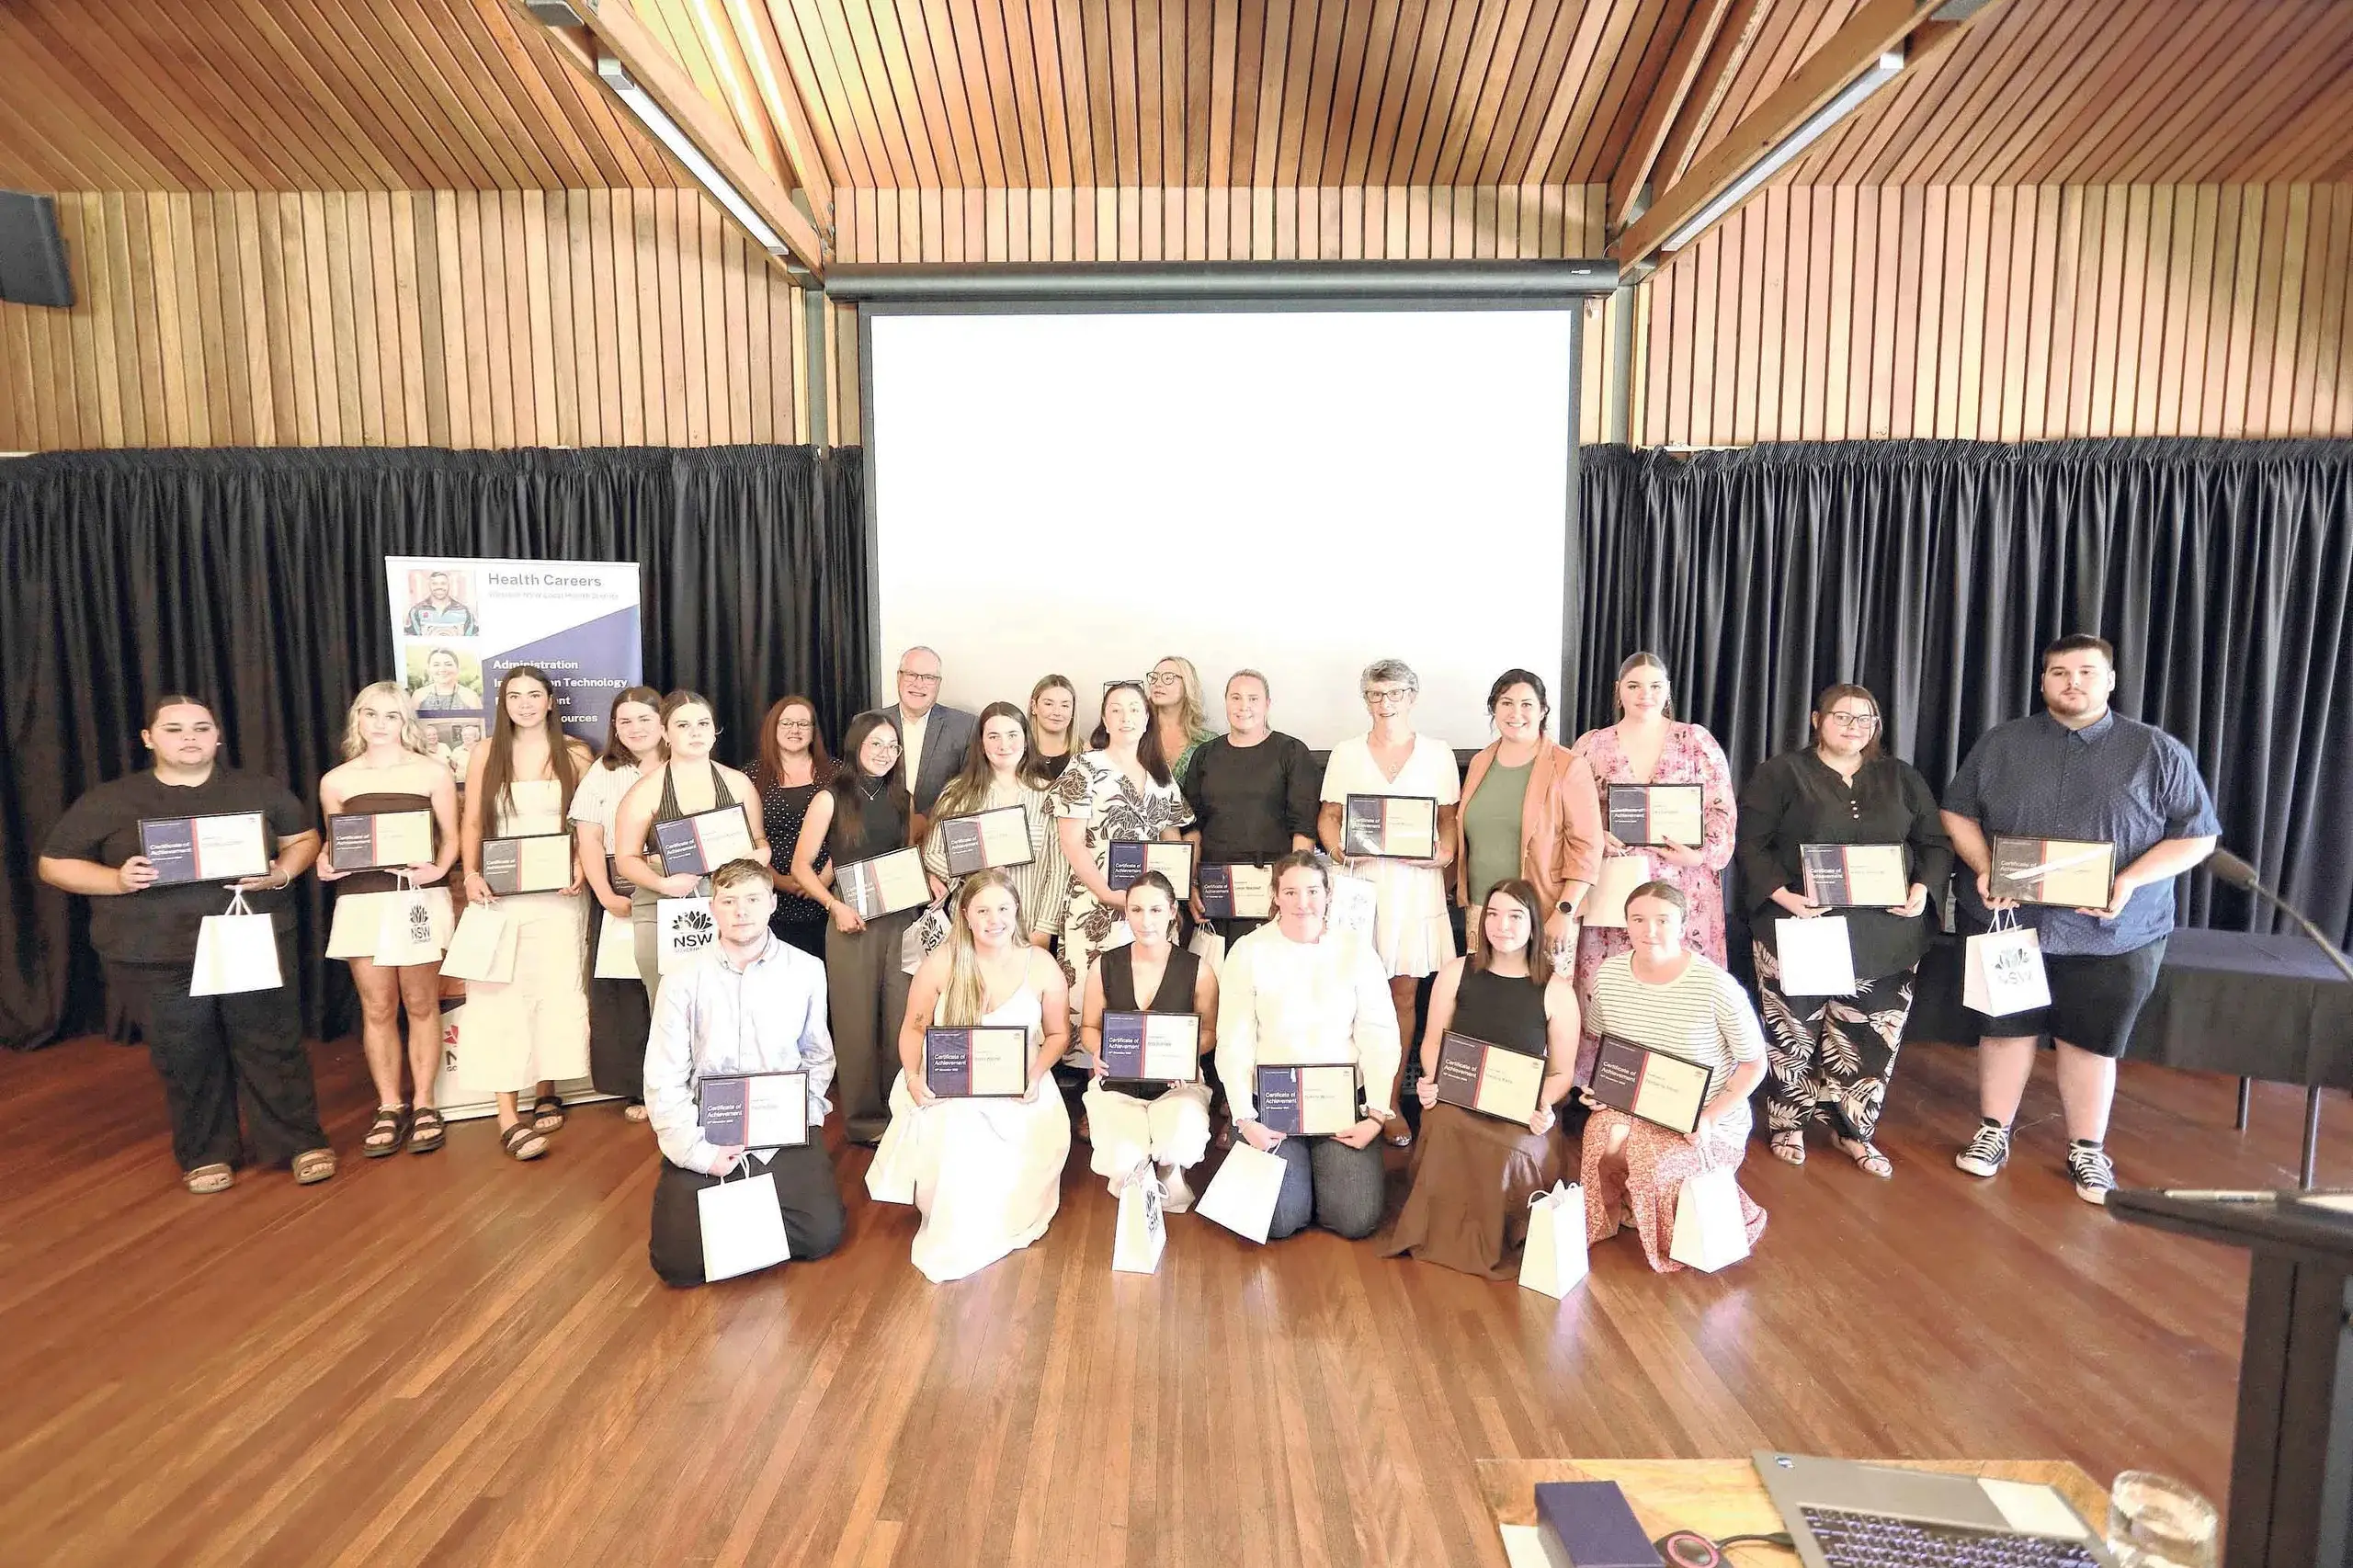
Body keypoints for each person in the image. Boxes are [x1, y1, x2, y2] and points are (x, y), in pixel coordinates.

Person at [1941, 633, 2220, 1203]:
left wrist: (2129, 881)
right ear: (2042, 681)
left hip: (2115, 930)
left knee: (2090, 1043)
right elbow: (1957, 811)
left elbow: (2198, 837)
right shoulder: (2001, 744)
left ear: (2110, 680)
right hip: (2008, 924)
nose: (2073, 683)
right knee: (2003, 1031)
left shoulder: (2157, 751)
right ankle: (1994, 1131)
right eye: (2059, 672)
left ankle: (2087, 1148)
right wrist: (1984, 866)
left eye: (2087, 672)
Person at [38, 695, 334, 1194]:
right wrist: (116, 879)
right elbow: (53, 864)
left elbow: (303, 838)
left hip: (246, 938)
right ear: (149, 739)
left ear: (218, 736)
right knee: (185, 1053)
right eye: (174, 729)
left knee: (271, 1044)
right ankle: (207, 1152)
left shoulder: (257, 788)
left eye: (201, 727)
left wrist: (280, 872)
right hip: (153, 952)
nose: (190, 737)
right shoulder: (111, 800)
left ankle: (298, 1142)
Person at [1736, 682, 1951, 1176]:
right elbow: (1750, 844)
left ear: (1876, 726)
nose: (1852, 727)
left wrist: (1922, 889)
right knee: (1794, 1030)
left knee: (1871, 1037)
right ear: (1817, 719)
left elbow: (1935, 844)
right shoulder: (1781, 773)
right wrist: (1784, 896)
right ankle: (1788, 1122)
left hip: (1885, 935)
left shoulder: (1900, 777)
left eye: (1864, 719)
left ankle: (1854, 1129)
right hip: (1802, 924)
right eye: (1841, 716)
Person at [643, 859, 846, 1288]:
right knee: (677, 1264)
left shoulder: (806, 969)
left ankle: (744, 1224)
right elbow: (663, 1077)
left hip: (780, 1125)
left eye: (753, 899)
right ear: (712, 908)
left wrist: (797, 1118)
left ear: (772, 904)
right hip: (709, 1128)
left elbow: (817, 1056)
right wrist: (699, 1153)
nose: (741, 910)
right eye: (729, 900)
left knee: (820, 1236)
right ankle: (742, 1214)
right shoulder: (681, 979)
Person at [870, 869, 1073, 1282]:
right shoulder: (942, 962)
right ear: (965, 914)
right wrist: (912, 1077)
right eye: (982, 910)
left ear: (1017, 910)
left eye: (1002, 908)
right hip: (953, 1080)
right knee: (958, 1127)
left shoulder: (1042, 966)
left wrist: (1034, 1075)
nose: (993, 919)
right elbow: (913, 1027)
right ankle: (954, 1222)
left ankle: (991, 1214)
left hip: (1019, 1081)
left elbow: (1058, 1034)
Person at [1381, 880, 1579, 1278]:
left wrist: (1544, 1106)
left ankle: (1506, 1234)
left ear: (1534, 924)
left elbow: (1562, 1072)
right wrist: (1432, 1080)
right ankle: (1433, 1229)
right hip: (1459, 1098)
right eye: (1492, 914)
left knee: (1513, 1149)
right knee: (1443, 1126)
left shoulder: (1556, 991)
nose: (1501, 925)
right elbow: (1432, 1040)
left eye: (1515, 916)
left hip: (1520, 1108)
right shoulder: (1457, 972)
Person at [1580, 881, 1769, 1273]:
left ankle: (1663, 1218)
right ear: (1626, 925)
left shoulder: (1716, 986)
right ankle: (1624, 1208)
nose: (1650, 930)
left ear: (1683, 924)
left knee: (1655, 1157)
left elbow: (1755, 1065)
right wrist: (1605, 1089)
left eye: (1662, 920)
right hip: (1640, 1104)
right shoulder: (1609, 976)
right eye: (1638, 919)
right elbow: (1605, 1041)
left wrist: (1710, 1117)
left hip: (1704, 1117)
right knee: (1601, 1133)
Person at [1215, 852, 1403, 1241]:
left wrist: (1376, 1116)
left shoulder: (1357, 952)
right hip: (1272, 1108)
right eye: (1291, 891)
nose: (1303, 902)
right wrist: (1245, 1119)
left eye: (1313, 890)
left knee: (1356, 1219)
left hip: (1341, 1107)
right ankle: (1288, 1171)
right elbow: (1233, 1039)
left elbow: (1380, 1034)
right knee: (1279, 1222)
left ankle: (1318, 1177)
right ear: (1275, 896)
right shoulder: (1248, 952)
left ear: (1328, 893)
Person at [1318, 658, 1460, 1146]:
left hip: (1413, 887)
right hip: (1360, 885)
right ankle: (1345, 1096)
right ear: (1366, 700)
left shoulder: (1439, 754)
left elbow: (1449, 821)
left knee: (1402, 997)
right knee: (1348, 995)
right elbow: (1330, 817)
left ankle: (1390, 1101)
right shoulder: (1345, 752)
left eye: (1396, 693)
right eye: (1377, 695)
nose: (1386, 704)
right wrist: (1339, 848)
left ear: (1412, 697)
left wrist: (1444, 852)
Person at [316, 682, 460, 1156]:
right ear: (357, 719)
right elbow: (336, 842)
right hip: (361, 902)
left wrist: (438, 869)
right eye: (371, 714)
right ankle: (389, 1105)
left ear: (406, 723)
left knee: (421, 1005)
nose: (380, 724)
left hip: (416, 899)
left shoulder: (432, 772)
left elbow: (452, 838)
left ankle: (424, 1103)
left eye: (392, 716)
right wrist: (325, 860)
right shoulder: (336, 780)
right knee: (377, 1007)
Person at [459, 665, 594, 1161]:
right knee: (501, 998)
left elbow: (587, 822)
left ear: (551, 700)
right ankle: (507, 1115)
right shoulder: (484, 752)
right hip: (501, 897)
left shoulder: (576, 753)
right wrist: (470, 873)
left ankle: (546, 1088)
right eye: (514, 695)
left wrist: (581, 863)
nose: (524, 703)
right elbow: (472, 819)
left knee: (556, 990)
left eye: (534, 694)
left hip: (558, 895)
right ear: (503, 703)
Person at [1571, 653, 1736, 1024]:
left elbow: (1722, 809)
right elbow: (1571, 812)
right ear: (1618, 691)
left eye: (1655, 686)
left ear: (1667, 691)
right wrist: (1597, 834)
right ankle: (1606, 1076)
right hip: (1616, 887)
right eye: (1633, 685)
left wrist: (1700, 855)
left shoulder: (1696, 741)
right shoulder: (1592, 745)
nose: (1645, 694)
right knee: (1613, 988)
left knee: (1683, 991)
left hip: (1685, 886)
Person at [793, 711, 920, 1145]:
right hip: (851, 921)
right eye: (875, 745)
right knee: (855, 1022)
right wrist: (833, 906)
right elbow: (800, 867)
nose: (885, 753)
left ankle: (900, 1110)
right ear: (856, 747)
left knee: (900, 1017)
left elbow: (899, 855)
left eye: (892, 746)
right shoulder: (831, 797)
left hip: (901, 918)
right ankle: (865, 1122)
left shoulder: (903, 797)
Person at [1051, 679, 1194, 1034]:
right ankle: (1095, 1083)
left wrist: (1173, 895)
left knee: (1151, 995)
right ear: (1104, 718)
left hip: (1152, 909)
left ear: (1147, 718)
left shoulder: (1161, 777)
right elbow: (1071, 842)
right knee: (1095, 998)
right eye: (1115, 710)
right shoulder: (1084, 767)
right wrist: (1106, 893)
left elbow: (1172, 838)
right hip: (1096, 902)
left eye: (1134, 710)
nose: (1125, 717)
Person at [612, 691, 768, 1015]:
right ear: (665, 734)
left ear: (715, 731)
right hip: (665, 907)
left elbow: (761, 843)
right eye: (683, 725)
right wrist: (664, 885)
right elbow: (626, 859)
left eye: (703, 724)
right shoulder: (646, 790)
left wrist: (756, 861)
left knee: (733, 1008)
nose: (695, 732)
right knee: (671, 1010)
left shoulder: (738, 784)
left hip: (731, 909)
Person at [1079, 871, 1219, 1210]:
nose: (1145, 921)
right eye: (1136, 910)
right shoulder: (1104, 966)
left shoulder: (1199, 970)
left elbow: (1210, 1034)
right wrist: (1098, 1051)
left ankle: (1170, 1170)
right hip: (1118, 1085)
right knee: (1124, 1160)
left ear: (1173, 911)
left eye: (1156, 910)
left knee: (1180, 1139)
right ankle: (1137, 1168)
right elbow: (1088, 1027)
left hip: (1176, 1085)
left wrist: (1184, 1057)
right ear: (1125, 912)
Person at [1455, 668, 1603, 970]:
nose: (1516, 713)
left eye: (1527, 704)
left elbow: (1587, 847)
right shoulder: (1482, 761)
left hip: (1544, 911)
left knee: (1543, 1006)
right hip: (1482, 912)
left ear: (1543, 710)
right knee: (1486, 1001)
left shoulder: (1568, 766)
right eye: (1506, 703)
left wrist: (1565, 911)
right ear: (1493, 709)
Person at [569, 686, 665, 1119]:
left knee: (678, 988)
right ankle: (639, 1087)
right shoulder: (602, 773)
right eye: (624, 721)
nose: (635, 728)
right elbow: (588, 836)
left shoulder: (685, 766)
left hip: (685, 900)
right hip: (621, 899)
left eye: (644, 718)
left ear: (663, 722)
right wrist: (605, 894)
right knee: (629, 994)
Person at [1180, 667, 1319, 949]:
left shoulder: (1292, 752)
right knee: (1219, 980)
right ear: (1225, 702)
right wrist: (1191, 885)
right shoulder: (1205, 755)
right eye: (1236, 698)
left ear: (1267, 704)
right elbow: (1193, 828)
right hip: (1215, 887)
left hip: (1270, 886)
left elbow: (1302, 829)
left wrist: (1293, 891)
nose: (1244, 706)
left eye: (1253, 699)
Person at [919, 702, 1068, 952]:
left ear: (1025, 739)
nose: (1004, 744)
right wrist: (976, 860)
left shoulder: (1049, 795)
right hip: (970, 931)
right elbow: (932, 854)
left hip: (1029, 929)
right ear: (981, 743)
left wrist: (1043, 931)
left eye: (1012, 735)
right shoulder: (958, 794)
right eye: (993, 736)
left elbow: (1059, 870)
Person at [750, 694, 835, 960]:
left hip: (830, 896)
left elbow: (851, 833)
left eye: (803, 724)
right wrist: (778, 880)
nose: (795, 730)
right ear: (772, 728)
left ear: (814, 731)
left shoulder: (837, 774)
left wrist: (821, 881)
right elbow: (747, 838)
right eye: (786, 723)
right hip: (771, 898)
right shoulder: (749, 777)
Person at [870, 644, 978, 829]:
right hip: (878, 833)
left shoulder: (966, 726)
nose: (918, 684)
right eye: (911, 675)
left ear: (938, 683)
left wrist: (926, 820)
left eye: (928, 677)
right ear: (899, 677)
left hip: (938, 834)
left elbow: (970, 787)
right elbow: (855, 784)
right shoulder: (868, 723)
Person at [1145, 654, 1215, 784]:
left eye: (1168, 678)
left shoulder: (1208, 742)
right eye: (1154, 678)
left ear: (1187, 685)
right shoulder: (1137, 734)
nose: (1158, 684)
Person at [1028, 674, 1078, 783]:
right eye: (1049, 704)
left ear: (1073, 710)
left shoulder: (1086, 754)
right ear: (1034, 706)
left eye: (1065, 706)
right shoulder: (1017, 751)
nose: (1057, 712)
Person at [403, 569, 478, 636]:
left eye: (443, 583)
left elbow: (473, 640)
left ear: (449, 585)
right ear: (429, 586)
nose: (439, 587)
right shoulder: (416, 611)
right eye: (434, 584)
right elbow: (411, 641)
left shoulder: (464, 611)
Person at [412, 647, 481, 714]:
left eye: (448, 664)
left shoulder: (470, 696)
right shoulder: (419, 695)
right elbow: (411, 723)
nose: (442, 669)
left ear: (457, 668)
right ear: (429, 669)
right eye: (436, 665)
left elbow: (481, 723)